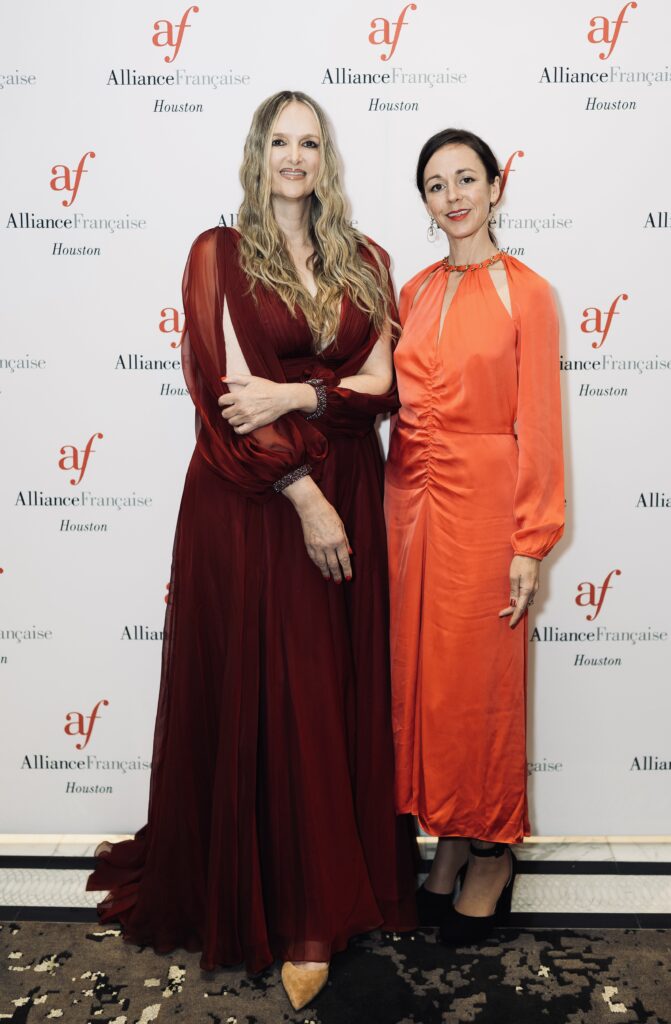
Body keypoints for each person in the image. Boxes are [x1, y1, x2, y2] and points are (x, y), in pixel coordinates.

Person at [87, 90, 417, 1009]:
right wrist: (303, 493)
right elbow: (227, 395)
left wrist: (299, 396)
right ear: (256, 151)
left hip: (349, 482)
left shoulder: (368, 259)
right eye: (281, 140)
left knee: (330, 688)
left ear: (328, 156)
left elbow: (380, 384)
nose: (295, 157)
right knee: (279, 687)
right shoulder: (218, 253)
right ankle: (291, 910)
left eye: (310, 142)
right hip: (256, 497)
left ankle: (328, 886)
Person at [384, 128, 564, 946]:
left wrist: (531, 540)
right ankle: (448, 834)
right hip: (408, 504)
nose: (452, 195)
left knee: (479, 686)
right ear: (423, 202)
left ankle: (492, 847)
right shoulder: (411, 290)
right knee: (426, 687)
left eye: (466, 178)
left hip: (487, 506)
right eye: (434, 184)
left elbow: (539, 425)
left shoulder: (525, 292)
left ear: (496, 187)